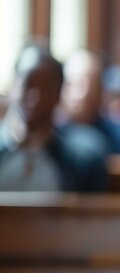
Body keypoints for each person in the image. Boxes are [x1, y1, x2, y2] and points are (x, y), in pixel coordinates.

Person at [0, 44, 108, 192]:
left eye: (45, 89)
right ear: (13, 86)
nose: (34, 98)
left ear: (59, 94)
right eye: (28, 84)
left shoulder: (83, 163)